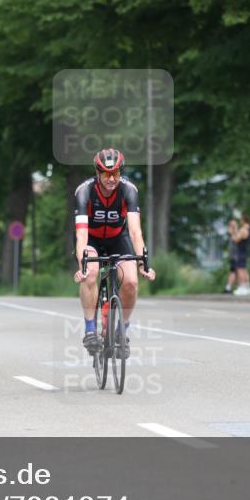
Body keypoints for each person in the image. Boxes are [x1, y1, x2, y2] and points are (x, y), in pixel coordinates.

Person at [73, 148, 156, 356]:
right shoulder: (84, 191)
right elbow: (81, 235)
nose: (112, 179)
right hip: (91, 239)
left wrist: (143, 264)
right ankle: (90, 329)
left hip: (118, 238)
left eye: (116, 173)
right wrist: (82, 266)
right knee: (91, 273)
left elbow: (135, 231)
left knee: (131, 282)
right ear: (97, 173)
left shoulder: (129, 190)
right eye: (106, 174)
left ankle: (122, 331)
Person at [231, 211, 250, 295]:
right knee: (244, 270)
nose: (240, 221)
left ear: (243, 220)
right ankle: (247, 287)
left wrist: (233, 231)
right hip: (245, 251)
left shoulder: (244, 230)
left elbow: (236, 239)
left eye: (240, 220)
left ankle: (242, 287)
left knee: (240, 270)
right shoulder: (248, 229)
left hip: (241, 252)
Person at [223, 217, 238, 294]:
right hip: (234, 256)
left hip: (235, 255)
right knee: (234, 272)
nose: (234, 227)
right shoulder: (231, 233)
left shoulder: (234, 233)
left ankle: (229, 287)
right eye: (232, 225)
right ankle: (228, 287)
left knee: (234, 272)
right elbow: (235, 238)